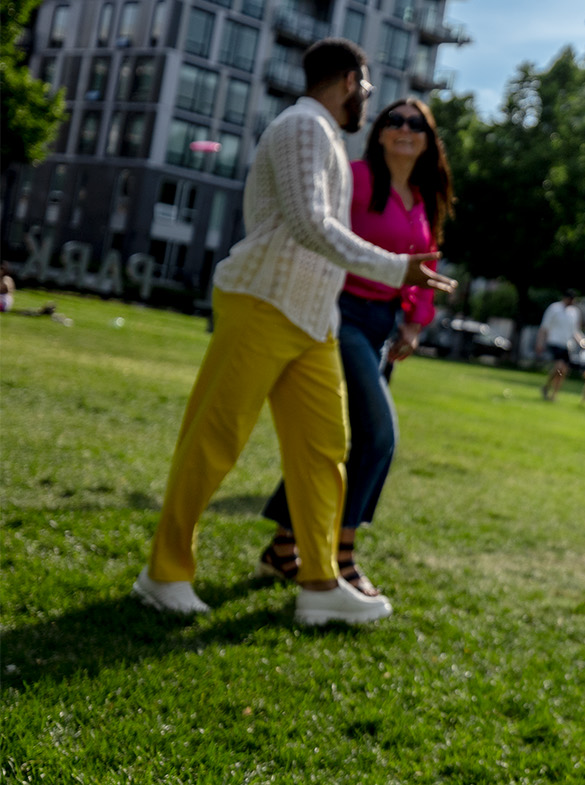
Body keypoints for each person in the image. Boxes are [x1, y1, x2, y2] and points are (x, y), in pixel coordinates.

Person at [130, 38, 454, 625]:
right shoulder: (304, 125)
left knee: (325, 451)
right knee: (215, 440)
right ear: (351, 80)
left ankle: (319, 582)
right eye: (369, 89)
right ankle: (163, 573)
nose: (368, 101)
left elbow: (317, 235)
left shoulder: (326, 134)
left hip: (313, 319)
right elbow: (311, 224)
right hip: (261, 302)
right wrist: (393, 267)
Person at [255, 97, 454, 597]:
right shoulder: (356, 178)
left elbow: (423, 270)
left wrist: (413, 323)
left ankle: (284, 547)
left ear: (428, 140)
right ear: (380, 132)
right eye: (394, 121)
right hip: (341, 315)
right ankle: (340, 558)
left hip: (384, 327)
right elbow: (328, 239)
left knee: (343, 439)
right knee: (380, 435)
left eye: (416, 124)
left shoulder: (425, 198)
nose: (404, 129)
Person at [536, 289, 585, 400]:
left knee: (563, 371)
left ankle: (552, 392)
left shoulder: (574, 312)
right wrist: (540, 343)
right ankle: (549, 391)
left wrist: (583, 342)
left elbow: (575, 330)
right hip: (554, 341)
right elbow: (544, 327)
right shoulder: (554, 308)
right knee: (559, 367)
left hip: (567, 344)